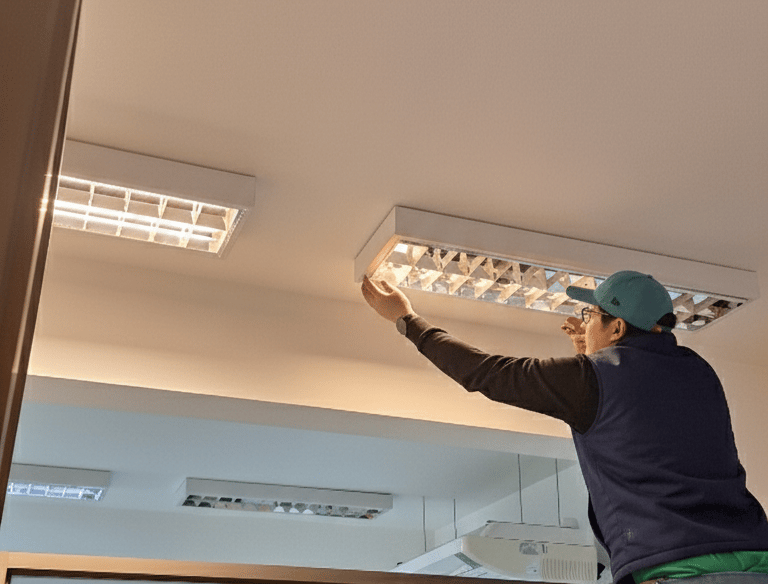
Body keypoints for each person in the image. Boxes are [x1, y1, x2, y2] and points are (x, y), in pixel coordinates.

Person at [361, 269, 768, 584]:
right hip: (755, 561)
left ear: (617, 327)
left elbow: (488, 373)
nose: (584, 322)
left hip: (679, 571)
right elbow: (642, 418)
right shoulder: (699, 371)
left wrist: (407, 320)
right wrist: (590, 363)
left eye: (592, 315)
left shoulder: (593, 378)